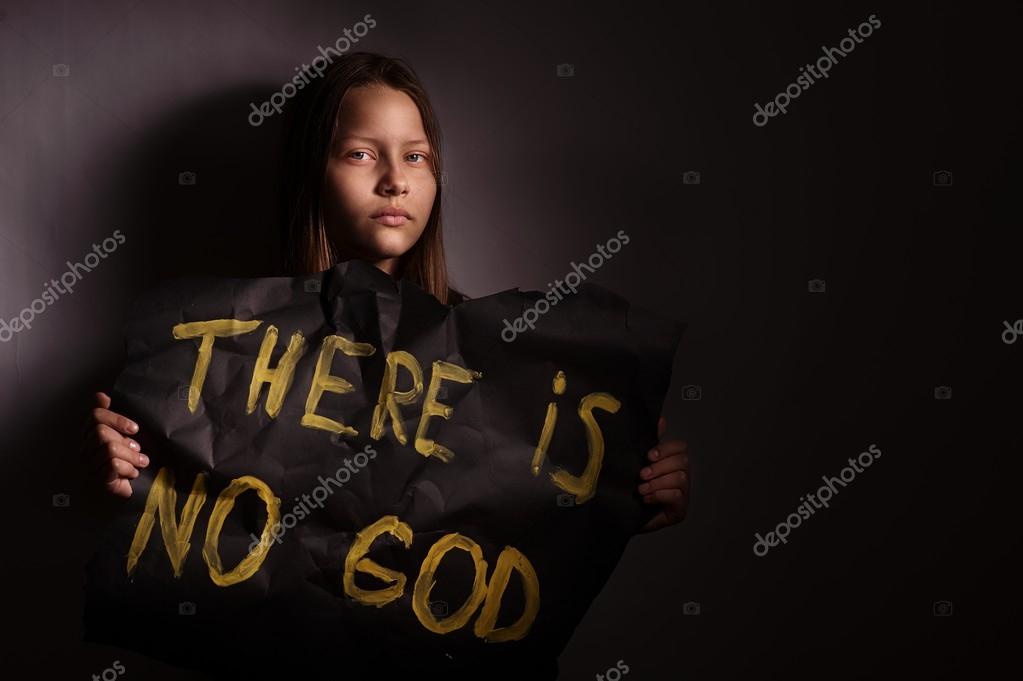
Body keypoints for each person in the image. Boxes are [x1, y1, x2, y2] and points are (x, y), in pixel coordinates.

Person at [82, 50, 689, 675]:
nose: (395, 179)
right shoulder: (214, 355)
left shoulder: (507, 368)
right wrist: (124, 471)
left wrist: (620, 503)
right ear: (312, 173)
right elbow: (188, 536)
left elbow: (513, 531)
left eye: (416, 156)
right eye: (361, 153)